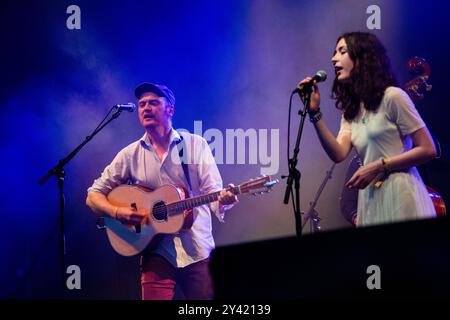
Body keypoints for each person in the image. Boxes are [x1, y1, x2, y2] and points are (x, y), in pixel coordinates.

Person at [86, 82, 238, 300]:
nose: (146, 108)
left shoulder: (195, 145)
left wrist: (225, 199)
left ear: (171, 109)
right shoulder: (130, 154)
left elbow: (213, 191)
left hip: (197, 251)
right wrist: (118, 213)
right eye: (142, 104)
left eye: (154, 103)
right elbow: (93, 195)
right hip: (155, 252)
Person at [298, 32, 437, 226]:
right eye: (334, 53)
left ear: (362, 57)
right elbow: (338, 154)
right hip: (370, 200)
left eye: (342, 51)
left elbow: (429, 149)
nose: (333, 58)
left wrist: (379, 165)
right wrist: (315, 113)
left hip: (401, 194)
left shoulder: (393, 97)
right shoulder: (351, 111)